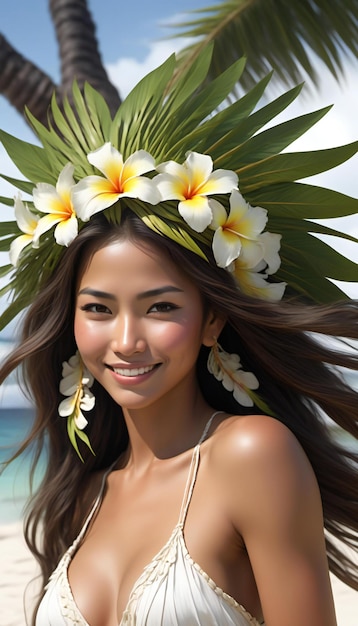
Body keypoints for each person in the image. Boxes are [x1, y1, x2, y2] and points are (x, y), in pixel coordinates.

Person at [0, 50, 357, 626]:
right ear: (71, 323)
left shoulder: (251, 455)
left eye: (160, 307)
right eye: (97, 308)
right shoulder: (83, 498)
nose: (126, 340)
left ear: (212, 319)